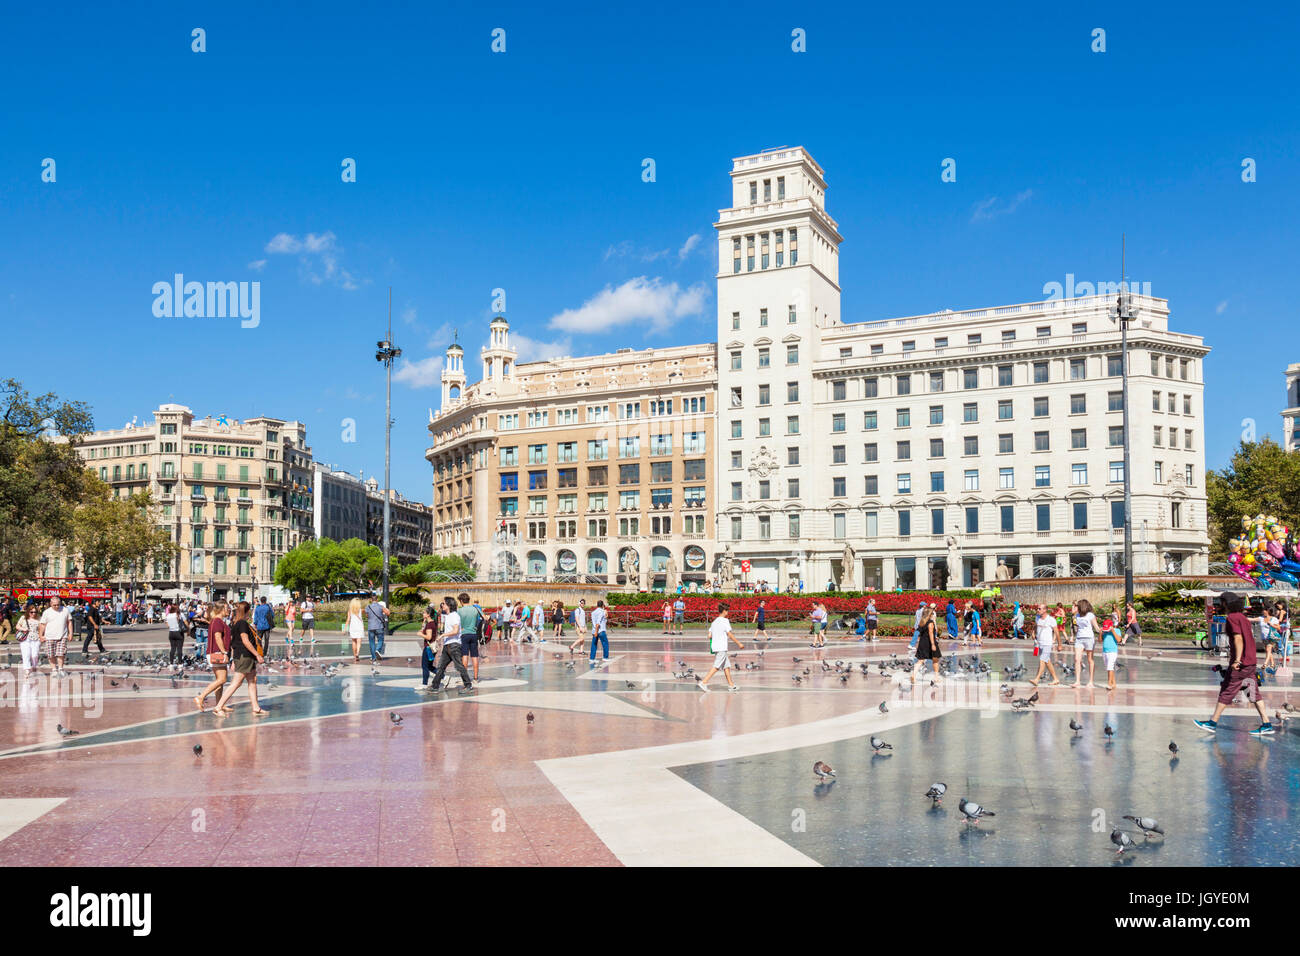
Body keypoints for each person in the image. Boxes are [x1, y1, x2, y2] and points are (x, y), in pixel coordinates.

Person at [1196, 592, 1273, 736]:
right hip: (1250, 661)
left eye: (1222, 602)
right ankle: (1267, 723)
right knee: (1253, 692)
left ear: (1227, 603)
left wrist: (1237, 660)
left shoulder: (1232, 618)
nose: (1220, 605)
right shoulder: (1243, 617)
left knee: (1227, 690)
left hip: (1241, 663)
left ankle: (1212, 723)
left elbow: (1238, 639)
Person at [213, 601, 267, 716]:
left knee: (252, 680)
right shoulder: (242, 623)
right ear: (247, 611)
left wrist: (233, 659)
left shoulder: (236, 623)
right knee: (236, 683)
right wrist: (257, 654)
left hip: (243, 656)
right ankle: (218, 706)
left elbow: (233, 643)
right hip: (245, 656)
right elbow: (245, 640)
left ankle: (256, 707)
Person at [697, 602, 743, 692]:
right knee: (717, 666)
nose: (728, 612)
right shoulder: (725, 621)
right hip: (721, 647)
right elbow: (729, 633)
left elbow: (709, 635)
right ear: (724, 611)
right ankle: (704, 682)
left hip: (716, 647)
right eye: (727, 611)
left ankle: (731, 685)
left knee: (726, 666)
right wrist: (739, 643)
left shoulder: (714, 622)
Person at [429, 597, 473, 692]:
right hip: (448, 645)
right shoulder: (448, 615)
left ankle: (468, 685)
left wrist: (442, 635)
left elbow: (456, 631)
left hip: (454, 645)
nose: (442, 605)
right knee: (441, 666)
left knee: (459, 666)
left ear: (449, 605)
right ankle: (434, 685)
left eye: (443, 603)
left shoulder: (454, 616)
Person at [194, 602, 230, 711]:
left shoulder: (217, 621)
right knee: (222, 679)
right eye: (227, 608)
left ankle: (220, 704)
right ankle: (201, 697)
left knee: (220, 680)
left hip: (217, 652)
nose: (229, 610)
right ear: (222, 609)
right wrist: (224, 652)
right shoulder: (217, 621)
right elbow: (218, 637)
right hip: (217, 652)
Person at [1029, 605, 1062, 686]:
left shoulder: (1051, 620)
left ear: (1045, 610)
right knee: (1047, 661)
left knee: (1042, 660)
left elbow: (1057, 632)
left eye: (1039, 609)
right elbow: (1035, 626)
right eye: (1038, 608)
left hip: (1047, 643)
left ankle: (1036, 679)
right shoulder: (1037, 618)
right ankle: (1055, 679)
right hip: (1039, 643)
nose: (1038, 610)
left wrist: (1059, 644)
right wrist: (1033, 633)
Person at [1071, 599, 1098, 688]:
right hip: (1079, 638)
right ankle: (1077, 681)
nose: (1076, 607)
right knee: (1077, 659)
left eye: (1078, 606)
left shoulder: (1090, 615)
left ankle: (1091, 681)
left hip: (1089, 638)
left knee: (1090, 659)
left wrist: (1104, 631)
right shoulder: (1077, 615)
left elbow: (1096, 628)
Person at [912, 607, 942, 684]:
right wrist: (933, 644)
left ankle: (913, 674)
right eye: (932, 613)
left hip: (922, 642)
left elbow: (918, 632)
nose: (933, 615)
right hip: (930, 642)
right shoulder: (930, 622)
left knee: (921, 660)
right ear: (929, 614)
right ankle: (936, 677)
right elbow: (931, 634)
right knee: (935, 659)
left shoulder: (922, 622)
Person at [458, 592, 483, 682]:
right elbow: (485, 618)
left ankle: (465, 679)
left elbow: (457, 623)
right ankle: (476, 678)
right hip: (474, 634)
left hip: (464, 634)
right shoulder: (475, 608)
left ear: (461, 601)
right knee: (475, 656)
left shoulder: (459, 611)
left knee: (465, 656)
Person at [1099, 615, 1124, 691]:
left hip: (1113, 651)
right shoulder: (1105, 631)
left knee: (1110, 666)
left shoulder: (1117, 630)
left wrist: (1113, 631)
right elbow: (1100, 641)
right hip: (1105, 651)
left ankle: (1109, 683)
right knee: (1109, 668)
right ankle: (1113, 683)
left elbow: (1119, 640)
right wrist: (1101, 633)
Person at [418, 607, 440, 689]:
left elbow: (429, 637)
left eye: (424, 613)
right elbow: (423, 629)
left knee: (425, 666)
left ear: (428, 614)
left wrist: (421, 635)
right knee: (430, 666)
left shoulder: (430, 625)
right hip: (431, 648)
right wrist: (424, 622)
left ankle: (424, 683)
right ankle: (444, 677)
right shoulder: (432, 623)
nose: (422, 614)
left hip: (428, 648)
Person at [16, 604, 41, 671]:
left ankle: (34, 665)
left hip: (36, 638)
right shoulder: (23, 617)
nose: (33, 613)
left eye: (35, 612)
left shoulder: (39, 618)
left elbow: (41, 629)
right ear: (28, 612)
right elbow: (17, 626)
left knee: (34, 655)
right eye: (31, 612)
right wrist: (24, 629)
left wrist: (42, 636)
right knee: (26, 654)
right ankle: (27, 669)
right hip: (25, 638)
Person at [364, 594, 389, 662]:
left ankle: (373, 657)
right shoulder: (381, 606)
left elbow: (367, 615)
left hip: (371, 627)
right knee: (380, 640)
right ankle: (377, 650)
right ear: (377, 600)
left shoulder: (368, 607)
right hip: (379, 626)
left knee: (371, 642)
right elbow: (388, 613)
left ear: (371, 600)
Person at [344, 597, 365, 663]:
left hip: (353, 627)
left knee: (353, 642)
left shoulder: (350, 610)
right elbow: (367, 613)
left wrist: (345, 629)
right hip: (359, 626)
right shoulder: (361, 610)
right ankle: (357, 654)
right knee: (359, 641)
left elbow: (348, 620)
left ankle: (354, 655)